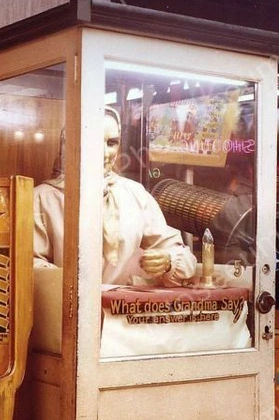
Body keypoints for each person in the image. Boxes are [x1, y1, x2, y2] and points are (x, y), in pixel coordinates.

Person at [33, 106, 196, 286]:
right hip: (67, 309)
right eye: (93, 141)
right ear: (69, 144)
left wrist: (168, 261)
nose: (104, 153)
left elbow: (181, 255)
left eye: (112, 143)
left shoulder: (135, 194)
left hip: (122, 309)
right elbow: (27, 263)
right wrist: (70, 287)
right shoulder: (42, 199)